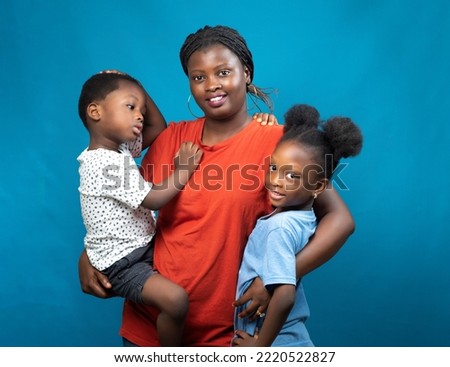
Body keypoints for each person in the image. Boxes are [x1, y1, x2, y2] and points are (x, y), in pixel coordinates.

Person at [78, 25, 355, 347]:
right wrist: (91, 253)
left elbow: (340, 220)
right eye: (198, 77)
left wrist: (276, 278)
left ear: (246, 73)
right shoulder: (171, 140)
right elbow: (122, 203)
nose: (211, 85)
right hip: (152, 329)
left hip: (231, 334)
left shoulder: (279, 145)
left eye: (223, 72)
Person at [77, 71, 203, 346]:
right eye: (130, 107)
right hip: (124, 262)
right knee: (175, 301)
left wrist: (137, 87)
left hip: (138, 247)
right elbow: (154, 199)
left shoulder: (117, 150)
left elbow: (157, 128)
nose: (141, 116)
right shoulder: (103, 164)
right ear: (95, 111)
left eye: (141, 109)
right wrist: (183, 170)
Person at [233, 104, 363, 347]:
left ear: (318, 187)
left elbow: (284, 297)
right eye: (273, 168)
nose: (275, 180)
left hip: (279, 343)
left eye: (291, 176)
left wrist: (259, 348)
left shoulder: (280, 228)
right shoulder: (302, 218)